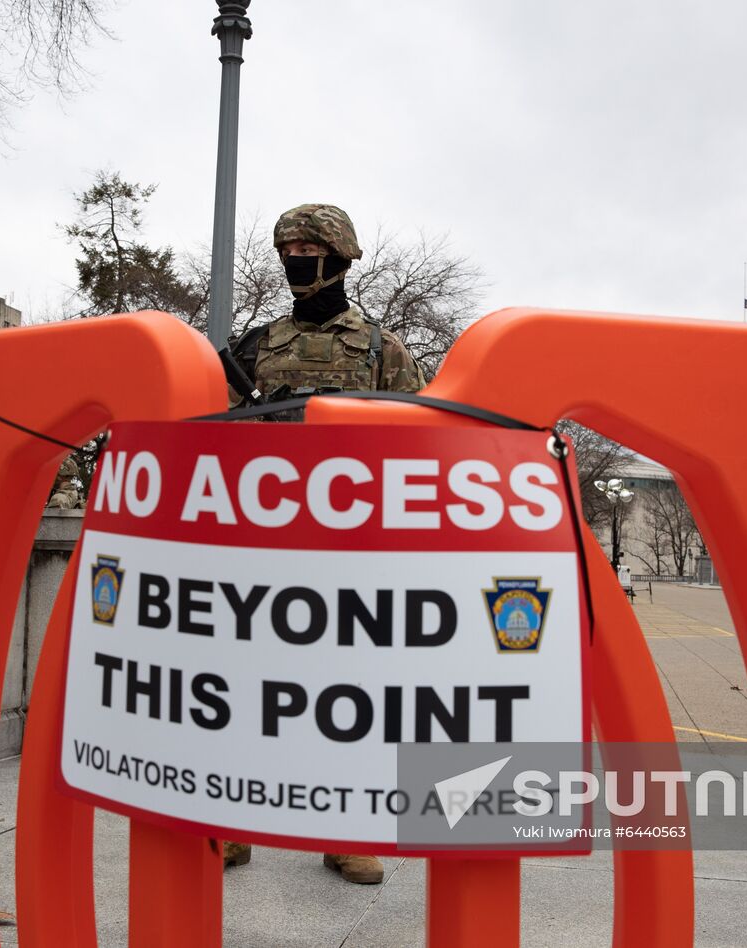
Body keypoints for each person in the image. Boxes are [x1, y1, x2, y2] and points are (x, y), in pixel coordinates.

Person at [222, 205, 422, 885]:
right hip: (261, 550)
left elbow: (417, 449)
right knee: (246, 691)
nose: (297, 255)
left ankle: (346, 831)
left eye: (310, 245)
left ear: (341, 255)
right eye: (288, 246)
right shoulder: (248, 349)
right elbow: (214, 447)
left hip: (351, 554)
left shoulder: (381, 350)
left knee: (349, 698)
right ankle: (232, 823)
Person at [227, 203, 424, 409]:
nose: (293, 261)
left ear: (337, 259)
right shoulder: (255, 346)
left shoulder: (384, 348)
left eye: (305, 250)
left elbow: (416, 432)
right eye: (286, 253)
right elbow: (216, 429)